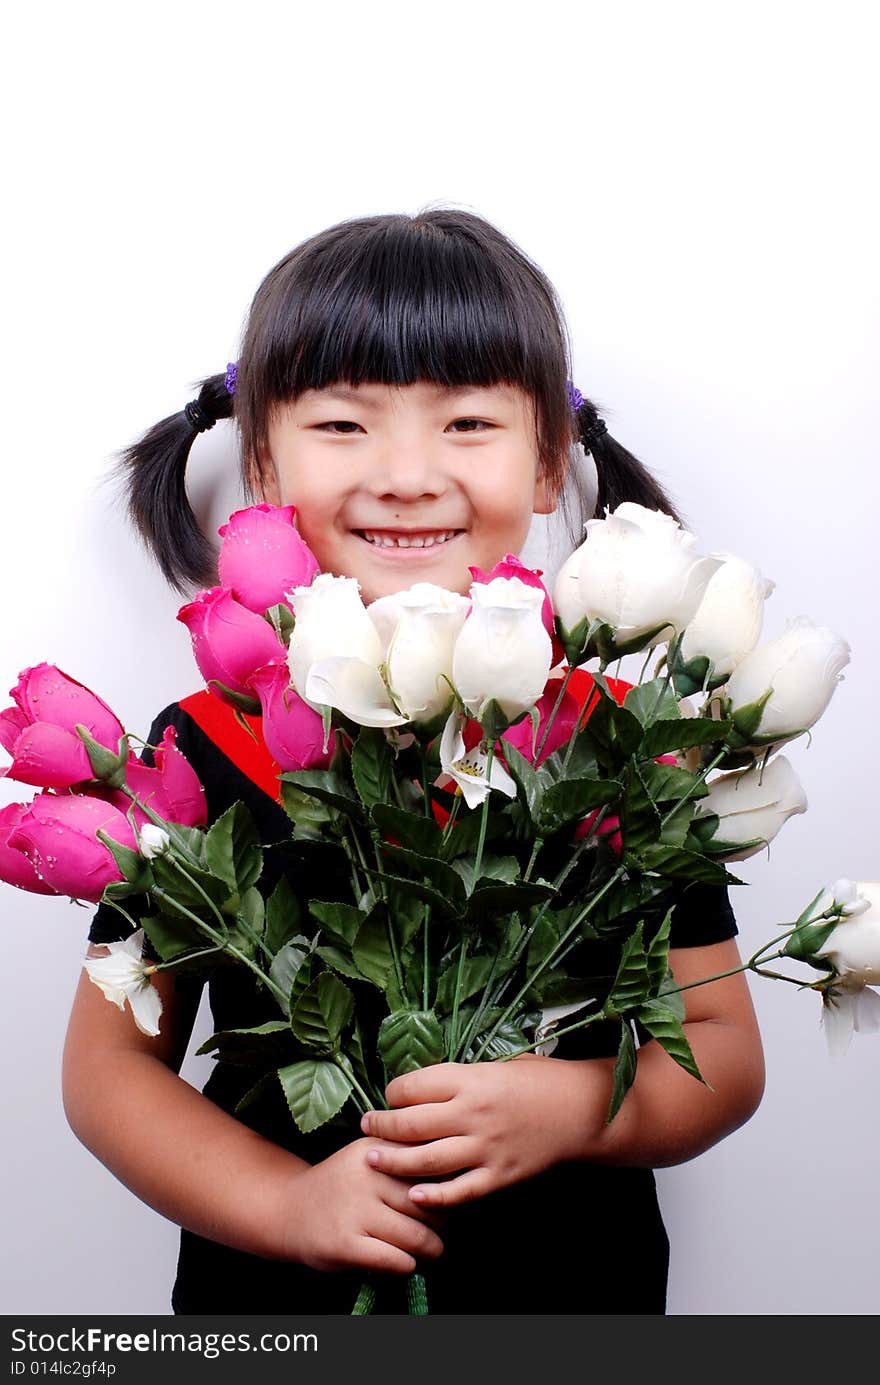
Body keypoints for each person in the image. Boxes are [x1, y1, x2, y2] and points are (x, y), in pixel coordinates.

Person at [62, 207, 765, 1315]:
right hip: (276, 1303)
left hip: (575, 1292)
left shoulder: (618, 747)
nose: (404, 473)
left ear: (545, 466)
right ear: (262, 462)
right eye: (342, 424)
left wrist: (579, 1105)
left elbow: (721, 1050)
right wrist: (286, 1207)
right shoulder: (207, 743)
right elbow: (110, 1073)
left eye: (467, 423)